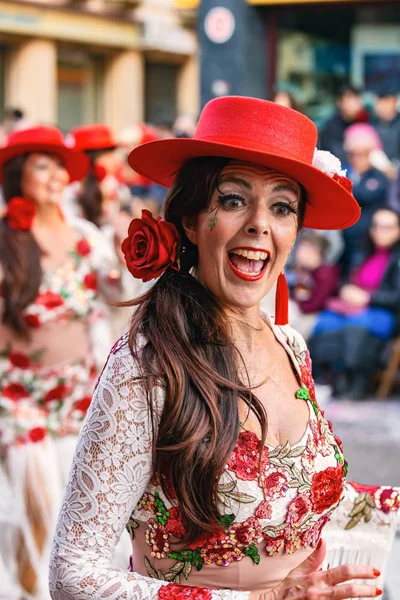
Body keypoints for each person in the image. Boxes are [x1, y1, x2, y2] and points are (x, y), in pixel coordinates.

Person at [50, 97, 381, 599]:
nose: (259, 224)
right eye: (232, 199)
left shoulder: (291, 346)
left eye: (282, 206)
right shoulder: (146, 368)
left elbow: (290, 494)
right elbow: (72, 572)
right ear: (189, 219)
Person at [0, 126, 116, 599]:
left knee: (76, 515)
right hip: (18, 396)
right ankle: (29, 594)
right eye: (40, 165)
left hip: (77, 394)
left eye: (57, 165)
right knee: (38, 508)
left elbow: (119, 297)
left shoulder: (87, 237)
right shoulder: (7, 240)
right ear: (17, 176)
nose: (53, 176)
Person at [309, 207, 400, 399]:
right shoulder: (362, 251)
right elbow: (344, 278)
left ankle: (355, 380)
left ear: (397, 230)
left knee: (357, 325)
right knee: (325, 321)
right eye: (376, 226)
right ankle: (324, 377)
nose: (379, 231)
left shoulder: (396, 259)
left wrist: (368, 298)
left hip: (382, 311)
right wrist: (345, 290)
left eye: (386, 227)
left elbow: (396, 296)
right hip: (350, 306)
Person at [341, 123, 389, 276]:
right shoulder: (343, 173)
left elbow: (369, 195)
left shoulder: (379, 177)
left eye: (362, 154)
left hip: (365, 238)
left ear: (370, 155)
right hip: (342, 233)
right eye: (353, 154)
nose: (357, 158)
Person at [287, 233, 340, 340]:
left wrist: (296, 304)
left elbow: (316, 304)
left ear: (315, 252)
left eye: (304, 248)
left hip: (314, 315)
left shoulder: (326, 273)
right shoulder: (305, 270)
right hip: (301, 310)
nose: (299, 252)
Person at [318, 85, 369, 164]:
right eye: (348, 100)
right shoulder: (331, 127)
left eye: (354, 100)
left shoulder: (367, 122)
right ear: (340, 102)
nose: (351, 104)